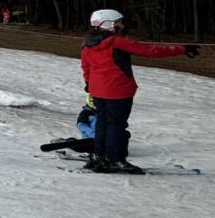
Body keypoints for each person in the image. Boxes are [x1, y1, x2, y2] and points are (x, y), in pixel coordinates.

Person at [81, 9, 199, 173]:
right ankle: (115, 159)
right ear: (108, 24)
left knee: (103, 122)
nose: (122, 26)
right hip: (117, 91)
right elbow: (150, 50)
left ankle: (100, 156)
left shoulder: (87, 44)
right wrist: (182, 49)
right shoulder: (117, 42)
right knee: (116, 125)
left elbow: (86, 66)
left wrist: (88, 83)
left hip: (98, 91)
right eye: (118, 23)